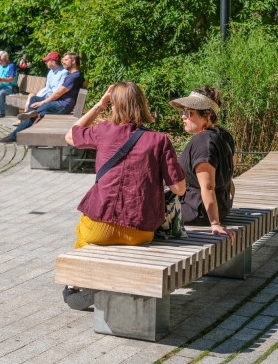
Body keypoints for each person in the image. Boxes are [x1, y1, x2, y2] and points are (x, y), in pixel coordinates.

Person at [62, 81, 186, 310]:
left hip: (99, 229)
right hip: (141, 232)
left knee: (82, 231)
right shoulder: (159, 140)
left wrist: (99, 105)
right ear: (142, 104)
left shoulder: (102, 132)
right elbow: (179, 189)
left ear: (114, 106)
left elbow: (70, 135)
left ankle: (76, 284)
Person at [170, 85, 236, 244]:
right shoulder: (223, 134)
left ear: (207, 115)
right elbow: (231, 169)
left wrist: (215, 224)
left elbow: (208, 186)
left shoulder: (202, 142)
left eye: (188, 113)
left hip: (197, 211)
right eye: (182, 112)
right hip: (221, 207)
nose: (183, 117)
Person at [0, 52, 84, 144]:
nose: (63, 62)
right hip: (59, 103)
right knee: (34, 102)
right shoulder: (73, 75)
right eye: (63, 60)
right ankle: (25, 120)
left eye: (66, 60)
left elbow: (58, 93)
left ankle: (14, 135)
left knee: (35, 113)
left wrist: (43, 102)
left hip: (62, 105)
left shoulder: (74, 76)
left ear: (73, 61)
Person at [13, 51, 69, 126]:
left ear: (52, 62)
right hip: (48, 96)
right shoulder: (50, 72)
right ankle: (27, 119)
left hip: (56, 99)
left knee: (36, 101)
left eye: (47, 61)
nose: (45, 62)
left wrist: (43, 100)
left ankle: (26, 120)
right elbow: (47, 88)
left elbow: (58, 91)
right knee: (33, 98)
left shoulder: (64, 73)